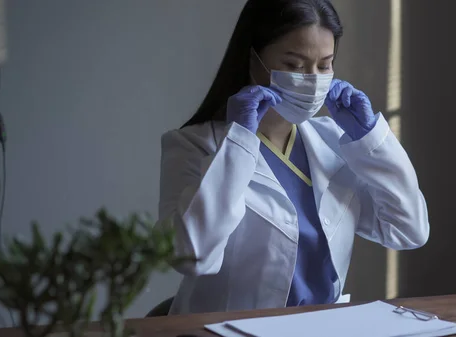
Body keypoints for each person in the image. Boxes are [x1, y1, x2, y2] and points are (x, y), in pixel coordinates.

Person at [158, 0, 429, 315]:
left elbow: (408, 229)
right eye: (294, 65)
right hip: (226, 329)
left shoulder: (332, 140)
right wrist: (239, 144)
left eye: (324, 65)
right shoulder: (194, 145)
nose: (312, 79)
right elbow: (192, 256)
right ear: (253, 59)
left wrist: (370, 139)